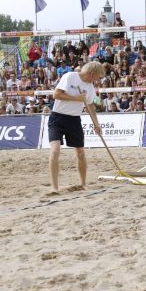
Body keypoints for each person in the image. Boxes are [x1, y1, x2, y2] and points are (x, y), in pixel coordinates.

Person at [47, 61, 105, 194]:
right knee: (55, 150)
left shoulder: (90, 87)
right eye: (97, 76)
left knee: (80, 152)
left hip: (74, 120)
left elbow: (90, 106)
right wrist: (76, 98)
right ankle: (54, 187)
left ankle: (83, 184)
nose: (97, 79)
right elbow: (56, 94)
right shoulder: (70, 76)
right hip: (57, 117)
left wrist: (96, 124)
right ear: (92, 73)